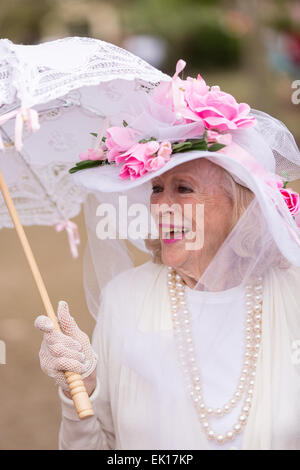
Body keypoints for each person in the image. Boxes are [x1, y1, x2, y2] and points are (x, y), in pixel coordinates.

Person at [35, 59, 300, 450]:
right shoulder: (125, 299)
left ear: (241, 204)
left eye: (185, 189)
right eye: (157, 189)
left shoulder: (293, 294)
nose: (161, 207)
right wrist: (81, 393)